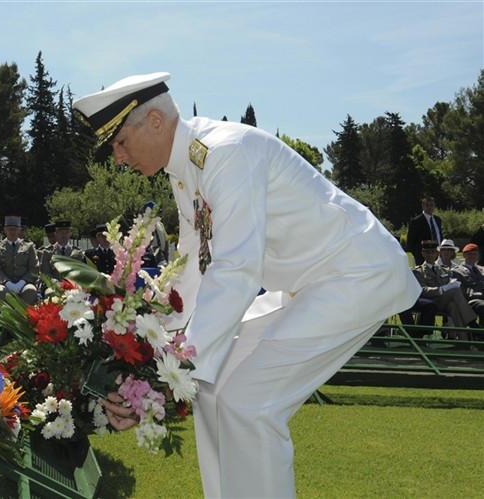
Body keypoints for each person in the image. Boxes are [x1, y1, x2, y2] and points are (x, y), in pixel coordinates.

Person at [72, 72, 422, 498]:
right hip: (311, 282)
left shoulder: (223, 153)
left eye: (121, 141)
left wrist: (170, 371)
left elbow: (236, 268)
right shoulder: (186, 170)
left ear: (157, 122)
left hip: (355, 273)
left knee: (248, 403)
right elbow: (193, 270)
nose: (118, 157)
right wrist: (158, 351)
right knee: (212, 389)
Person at [412, 240, 477, 340]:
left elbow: (450, 283)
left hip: (446, 301)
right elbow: (423, 291)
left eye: (433, 252)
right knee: (455, 291)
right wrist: (442, 289)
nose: (430, 255)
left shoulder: (444, 269)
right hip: (431, 302)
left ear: (437, 254)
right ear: (423, 254)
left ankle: (464, 343)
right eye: (427, 252)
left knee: (453, 306)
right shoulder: (418, 271)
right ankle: (472, 323)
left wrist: (452, 285)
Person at [0, 215, 39, 306]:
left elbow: (34, 267)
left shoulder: (29, 246)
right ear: (5, 230)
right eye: (9, 229)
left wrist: (22, 282)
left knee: (31, 290)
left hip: (25, 283)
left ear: (20, 230)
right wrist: (7, 283)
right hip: (4, 283)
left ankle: (25, 319)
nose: (12, 231)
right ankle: (2, 318)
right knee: (0, 291)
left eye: (15, 229)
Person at [452, 243, 484, 327]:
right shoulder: (457, 271)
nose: (472, 256)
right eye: (469, 254)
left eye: (475, 254)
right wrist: (478, 294)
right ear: (464, 255)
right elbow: (461, 290)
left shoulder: (482, 270)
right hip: (470, 301)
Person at [407, 197, 443, 265]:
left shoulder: (438, 220)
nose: (429, 207)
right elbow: (410, 242)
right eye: (427, 205)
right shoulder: (416, 221)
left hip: (438, 256)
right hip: (423, 258)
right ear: (422, 206)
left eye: (431, 205)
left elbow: (440, 237)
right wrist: (418, 255)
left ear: (434, 206)